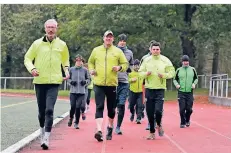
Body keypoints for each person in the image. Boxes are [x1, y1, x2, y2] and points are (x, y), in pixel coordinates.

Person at [24, 19, 70, 150]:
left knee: (49, 110)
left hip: (54, 82)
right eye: (49, 27)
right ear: (45, 29)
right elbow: (27, 58)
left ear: (56, 29)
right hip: (39, 81)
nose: (51, 30)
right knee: (41, 111)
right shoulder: (37, 44)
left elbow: (65, 59)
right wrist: (32, 69)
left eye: (53, 27)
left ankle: (46, 139)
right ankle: (42, 130)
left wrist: (66, 69)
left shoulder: (62, 44)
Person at [88, 30, 128, 142]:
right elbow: (90, 62)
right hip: (98, 83)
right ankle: (99, 131)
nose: (108, 39)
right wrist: (91, 69)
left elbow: (125, 64)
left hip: (111, 84)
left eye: (110, 37)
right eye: (107, 37)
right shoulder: (96, 50)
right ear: (103, 38)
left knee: (111, 109)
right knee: (99, 106)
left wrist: (119, 68)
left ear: (113, 39)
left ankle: (110, 127)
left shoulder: (117, 51)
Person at [139, 41, 175, 140]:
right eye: (154, 49)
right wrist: (146, 74)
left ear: (160, 50)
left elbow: (172, 72)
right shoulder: (146, 60)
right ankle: (151, 132)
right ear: (150, 50)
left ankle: (159, 124)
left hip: (160, 89)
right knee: (150, 112)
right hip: (149, 89)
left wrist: (164, 75)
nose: (155, 51)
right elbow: (140, 73)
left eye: (157, 49)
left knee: (158, 111)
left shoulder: (165, 60)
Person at [115, 33, 133, 135]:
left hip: (124, 82)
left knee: (121, 105)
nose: (122, 42)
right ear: (117, 41)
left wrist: (129, 69)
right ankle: (111, 123)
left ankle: (118, 126)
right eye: (121, 40)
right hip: (113, 82)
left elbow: (130, 64)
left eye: (124, 40)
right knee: (112, 106)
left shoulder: (129, 52)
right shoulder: (113, 51)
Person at [173, 55, 198, 128]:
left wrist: (194, 84)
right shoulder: (178, 70)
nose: (185, 63)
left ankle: (187, 120)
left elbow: (196, 78)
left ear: (188, 62)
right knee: (182, 109)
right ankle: (182, 122)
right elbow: (174, 79)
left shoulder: (192, 69)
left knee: (189, 109)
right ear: (182, 62)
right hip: (181, 92)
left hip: (190, 92)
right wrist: (177, 85)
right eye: (184, 61)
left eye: (187, 61)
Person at [67, 54, 90, 129]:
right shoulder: (71, 69)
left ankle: (76, 122)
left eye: (80, 61)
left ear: (82, 62)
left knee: (78, 107)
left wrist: (85, 82)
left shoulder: (85, 70)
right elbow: (68, 78)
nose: (79, 62)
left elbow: (89, 79)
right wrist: (71, 82)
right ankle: (71, 118)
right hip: (73, 92)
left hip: (81, 92)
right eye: (77, 60)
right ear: (75, 61)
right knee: (73, 106)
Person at [128, 59, 144, 124]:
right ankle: (132, 113)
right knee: (131, 105)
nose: (137, 67)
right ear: (133, 66)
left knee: (140, 105)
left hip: (140, 92)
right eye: (135, 65)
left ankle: (138, 118)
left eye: (138, 65)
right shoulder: (131, 73)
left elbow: (145, 82)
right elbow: (127, 80)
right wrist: (131, 79)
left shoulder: (142, 73)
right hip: (132, 92)